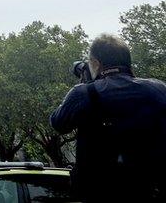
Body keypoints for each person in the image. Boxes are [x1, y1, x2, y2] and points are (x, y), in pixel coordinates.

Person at [50, 33, 166, 202]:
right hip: (147, 189)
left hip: (97, 191)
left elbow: (58, 123)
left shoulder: (84, 93)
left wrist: (85, 84)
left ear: (96, 64)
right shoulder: (159, 89)